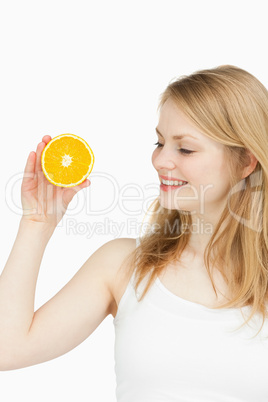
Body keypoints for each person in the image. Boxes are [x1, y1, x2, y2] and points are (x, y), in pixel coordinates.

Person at [1, 64, 268, 401]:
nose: (160, 161)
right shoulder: (123, 265)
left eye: (184, 149)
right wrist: (36, 224)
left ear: (246, 161)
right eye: (159, 143)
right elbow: (6, 349)